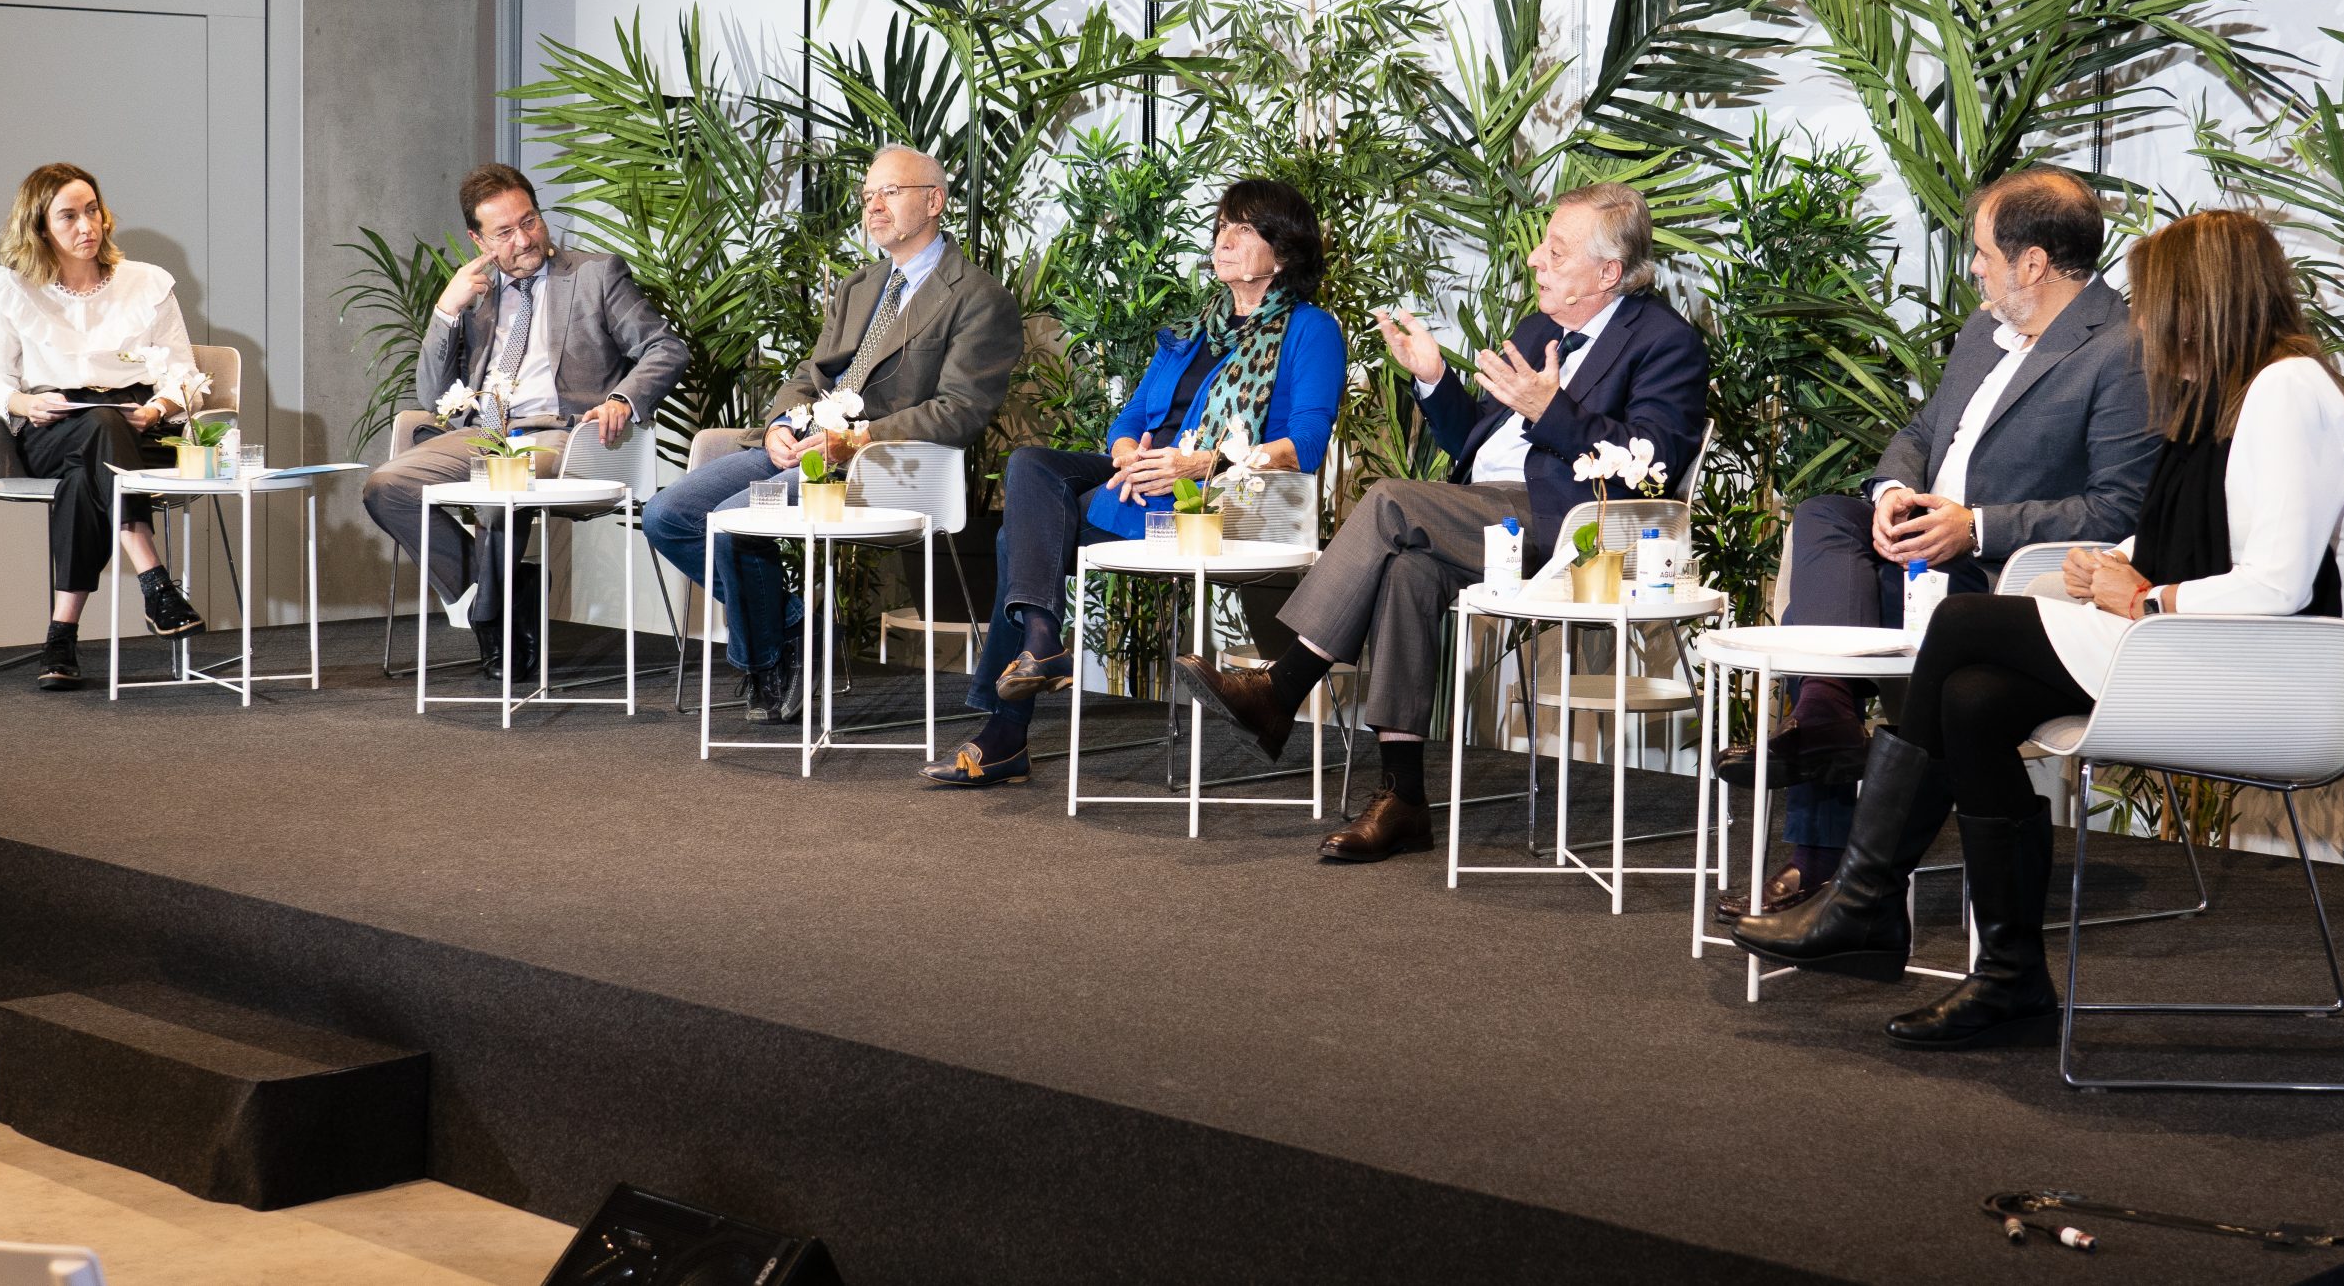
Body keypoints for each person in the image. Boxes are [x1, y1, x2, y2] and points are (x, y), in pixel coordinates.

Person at [1732, 209, 2344, 1048]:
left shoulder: (2287, 390)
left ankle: (1865, 900)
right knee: (1972, 698)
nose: (2142, 321)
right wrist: (2109, 562)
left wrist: (2143, 598)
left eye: (2154, 300)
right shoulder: (2229, 392)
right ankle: (2006, 976)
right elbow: (2201, 536)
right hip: (2208, 649)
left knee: (1967, 624)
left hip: (2276, 677)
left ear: (2203, 298)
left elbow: (2278, 586)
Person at [1173, 182, 1708, 861]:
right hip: (1490, 514)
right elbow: (1473, 444)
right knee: (1408, 567)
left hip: (1575, 526)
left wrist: (1553, 412)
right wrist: (1432, 379)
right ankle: (1402, 798)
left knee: (1392, 500)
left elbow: (1651, 464)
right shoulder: (1541, 328)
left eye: (1555, 249)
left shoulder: (1665, 342)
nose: (1536, 260)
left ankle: (1282, 687)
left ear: (1607, 272)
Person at [1713, 167, 2160, 922]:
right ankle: (1825, 717)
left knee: (1832, 615)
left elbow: (2115, 508)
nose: (1976, 268)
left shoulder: (2118, 349)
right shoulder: (1985, 331)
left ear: (2033, 263)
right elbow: (1923, 432)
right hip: (1922, 544)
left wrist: (1974, 524)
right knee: (1826, 516)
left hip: (2001, 584)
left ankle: (1823, 850)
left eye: (1984, 252)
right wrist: (1892, 496)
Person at [920, 178, 1344, 787]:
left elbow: (1303, 445)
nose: (1224, 239)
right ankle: (1040, 640)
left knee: (1019, 540)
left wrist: (1197, 464)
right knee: (1031, 464)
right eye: (1221, 226)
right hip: (1141, 481)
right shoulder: (1190, 330)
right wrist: (1128, 455)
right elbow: (1129, 421)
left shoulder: (1310, 330)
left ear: (1283, 254)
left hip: (1214, 502)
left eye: (1243, 229)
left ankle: (1010, 721)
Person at [645, 146, 1023, 724]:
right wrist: (777, 424)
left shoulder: (978, 298)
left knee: (737, 522)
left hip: (883, 466)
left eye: (889, 193)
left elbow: (960, 411)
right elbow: (811, 375)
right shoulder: (858, 286)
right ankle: (797, 625)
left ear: (934, 200)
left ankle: (762, 661)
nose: (873, 205)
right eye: (868, 194)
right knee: (668, 516)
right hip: (804, 448)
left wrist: (858, 438)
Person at [362, 164, 688, 679]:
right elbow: (432, 394)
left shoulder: (595, 275)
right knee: (386, 486)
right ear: (478, 239)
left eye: (529, 221)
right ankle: (508, 593)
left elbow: (665, 349)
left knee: (500, 485)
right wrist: (446, 310)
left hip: (566, 435)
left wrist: (623, 399)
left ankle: (492, 622)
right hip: (483, 432)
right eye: (504, 232)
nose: (524, 239)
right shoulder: (478, 293)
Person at [0, 163, 211, 691]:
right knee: (95, 433)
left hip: (138, 427)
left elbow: (186, 377)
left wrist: (158, 409)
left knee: (90, 472)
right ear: (40, 229)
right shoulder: (14, 290)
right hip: (53, 426)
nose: (88, 225)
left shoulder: (146, 283)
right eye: (69, 217)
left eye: (92, 210)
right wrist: (22, 404)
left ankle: (61, 636)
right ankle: (154, 579)